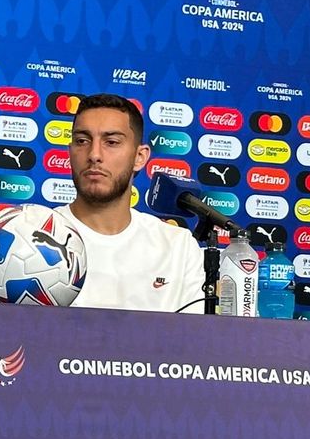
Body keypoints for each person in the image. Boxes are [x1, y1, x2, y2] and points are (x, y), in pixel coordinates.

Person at [53, 94, 204, 313]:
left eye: (111, 142)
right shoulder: (33, 238)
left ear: (139, 157)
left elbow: (195, 333)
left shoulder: (178, 247)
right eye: (82, 141)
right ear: (70, 152)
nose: (94, 154)